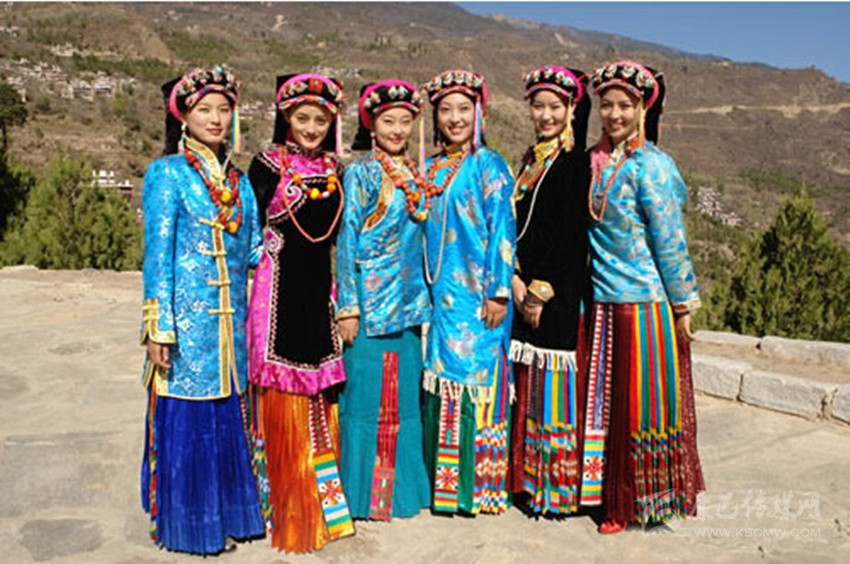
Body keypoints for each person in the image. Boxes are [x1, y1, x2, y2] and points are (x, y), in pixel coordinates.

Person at [140, 65, 265, 555]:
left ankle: (232, 516)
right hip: (186, 331)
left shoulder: (239, 182)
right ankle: (191, 527)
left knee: (226, 417)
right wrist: (158, 328)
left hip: (230, 333)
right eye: (204, 110)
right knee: (190, 421)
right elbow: (158, 257)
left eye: (223, 109)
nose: (216, 119)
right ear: (184, 117)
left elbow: (255, 250)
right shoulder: (166, 174)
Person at [580, 60, 704, 533]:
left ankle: (639, 502)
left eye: (625, 106)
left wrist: (682, 305)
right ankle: (605, 495)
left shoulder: (650, 165)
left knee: (640, 408)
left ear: (642, 110)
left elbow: (670, 240)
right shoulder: (595, 161)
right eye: (607, 105)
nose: (615, 114)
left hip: (645, 306)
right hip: (603, 301)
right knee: (607, 407)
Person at [246, 72, 354, 553]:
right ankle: (285, 510)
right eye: (302, 118)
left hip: (317, 294)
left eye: (320, 121)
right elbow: (245, 230)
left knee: (318, 395)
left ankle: (321, 504)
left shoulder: (336, 171)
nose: (311, 128)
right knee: (283, 396)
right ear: (286, 118)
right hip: (277, 294)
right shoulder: (267, 165)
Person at [420, 69, 516, 516]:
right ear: (435, 116)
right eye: (446, 109)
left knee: (476, 384)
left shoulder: (488, 163)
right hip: (440, 298)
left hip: (479, 297)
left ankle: (477, 490)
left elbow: (503, 227)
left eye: (464, 108)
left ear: (478, 113)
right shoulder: (430, 170)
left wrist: (499, 290)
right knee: (442, 384)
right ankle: (443, 489)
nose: (455, 118)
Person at [335, 80, 432, 520]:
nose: (396, 129)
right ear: (371, 125)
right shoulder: (361, 173)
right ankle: (363, 494)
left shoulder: (417, 175)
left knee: (404, 399)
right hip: (370, 305)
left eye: (404, 121)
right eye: (387, 120)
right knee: (366, 398)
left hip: (409, 307)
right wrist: (348, 305)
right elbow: (346, 240)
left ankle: (402, 494)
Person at [508, 65, 592, 517]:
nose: (545, 115)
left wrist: (540, 292)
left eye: (554, 107)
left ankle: (555, 491)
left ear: (571, 109)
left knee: (553, 393)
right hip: (524, 287)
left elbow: (568, 234)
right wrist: (516, 279)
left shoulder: (575, 164)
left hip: (554, 295)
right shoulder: (532, 160)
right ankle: (527, 483)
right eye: (538, 106)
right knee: (530, 388)